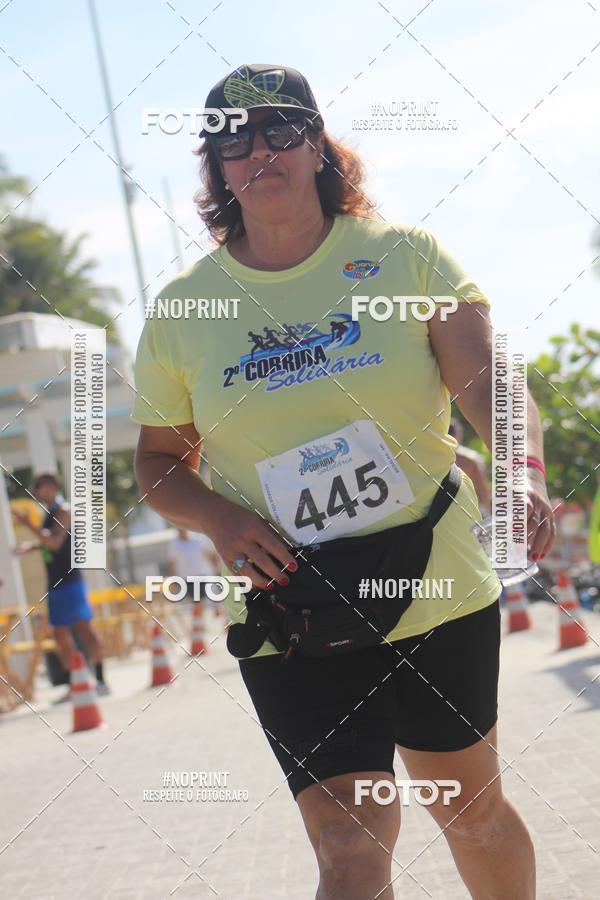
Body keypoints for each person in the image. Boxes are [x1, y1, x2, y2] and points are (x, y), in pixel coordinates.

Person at [131, 63, 556, 900]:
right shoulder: (186, 309)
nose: (260, 150)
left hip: (432, 583)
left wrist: (523, 469)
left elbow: (488, 389)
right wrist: (218, 519)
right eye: (234, 138)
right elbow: (156, 465)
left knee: (471, 811)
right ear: (214, 165)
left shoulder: (404, 257)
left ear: (318, 145)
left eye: (282, 129)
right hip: (290, 603)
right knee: (347, 844)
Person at [12, 472, 108, 695]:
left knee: (84, 629)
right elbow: (50, 543)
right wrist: (32, 547)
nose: (36, 490)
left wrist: (28, 523)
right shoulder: (48, 513)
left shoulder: (64, 510)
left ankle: (101, 679)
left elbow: (55, 542)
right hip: (55, 583)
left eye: (39, 485)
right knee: (60, 635)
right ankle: (77, 680)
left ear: (52, 486)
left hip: (71, 580)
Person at [167, 527, 223, 619]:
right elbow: (171, 564)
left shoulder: (196, 542)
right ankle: (199, 622)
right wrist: (172, 579)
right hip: (187, 578)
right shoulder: (175, 545)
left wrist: (215, 568)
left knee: (200, 600)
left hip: (201, 576)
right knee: (197, 601)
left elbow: (208, 555)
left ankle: (199, 621)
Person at [449, 418, 492, 515]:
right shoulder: (470, 460)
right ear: (458, 435)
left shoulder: (430, 458)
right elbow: (484, 491)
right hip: (465, 513)